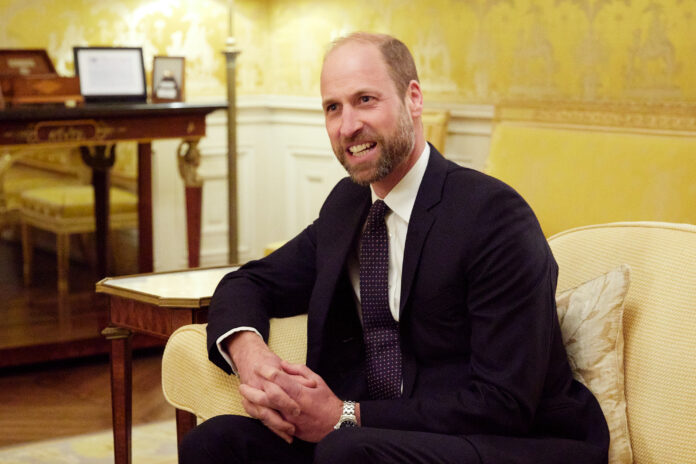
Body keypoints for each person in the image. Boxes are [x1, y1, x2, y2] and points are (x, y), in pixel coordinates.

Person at [180, 32, 609, 464]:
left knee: (345, 452)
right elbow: (249, 282)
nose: (348, 126)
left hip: (509, 442)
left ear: (414, 99)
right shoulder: (347, 207)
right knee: (213, 443)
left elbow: (504, 403)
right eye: (333, 108)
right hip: (367, 440)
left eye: (365, 99)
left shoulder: (493, 216)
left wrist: (344, 415)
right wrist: (251, 355)